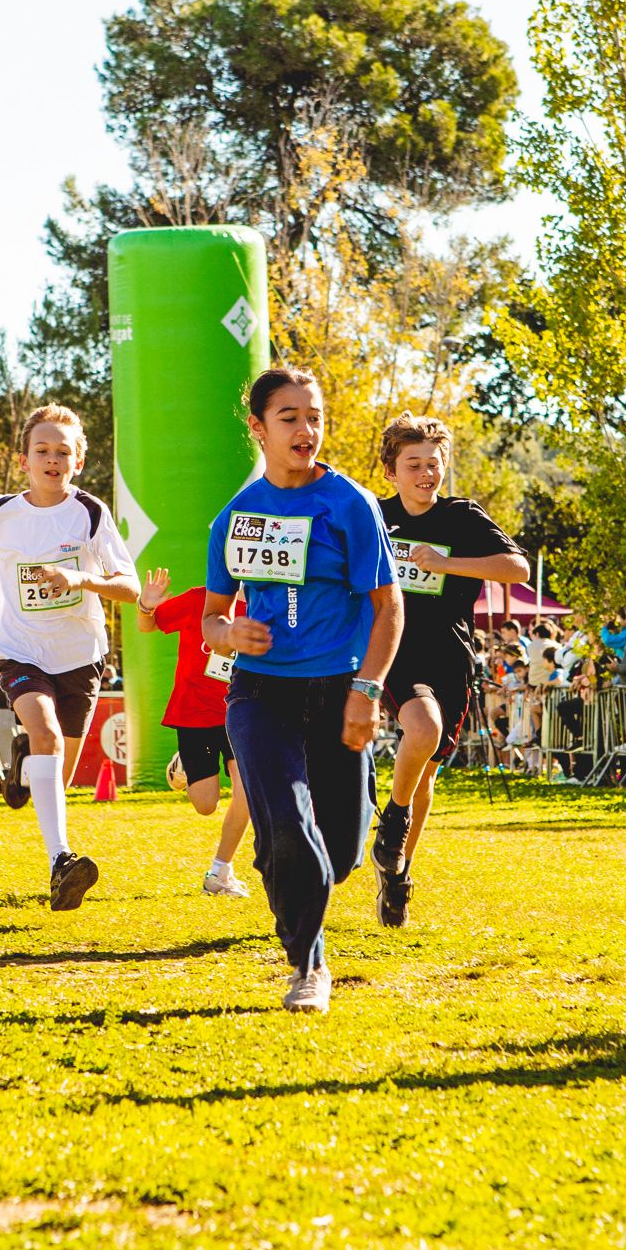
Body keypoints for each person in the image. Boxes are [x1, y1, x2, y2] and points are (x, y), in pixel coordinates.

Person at [205, 368, 402, 1014]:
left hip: (340, 690)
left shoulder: (349, 503)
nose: (306, 429)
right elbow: (210, 620)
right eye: (288, 417)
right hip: (260, 694)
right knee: (288, 833)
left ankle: (291, 868)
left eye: (313, 415)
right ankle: (308, 966)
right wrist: (230, 632)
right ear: (258, 428)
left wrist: (366, 691)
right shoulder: (233, 517)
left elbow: (388, 605)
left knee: (337, 852)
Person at [0, 404, 141, 910]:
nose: (52, 459)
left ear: (78, 460)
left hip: (79, 653)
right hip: (18, 646)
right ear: (24, 459)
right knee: (47, 734)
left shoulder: (90, 513)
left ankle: (20, 769)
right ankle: (61, 861)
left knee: (58, 769)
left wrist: (81, 579)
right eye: (42, 450)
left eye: (63, 452)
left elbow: (130, 586)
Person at [367, 414, 529, 926]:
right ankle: (391, 820)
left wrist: (446, 562)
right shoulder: (374, 515)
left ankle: (397, 876)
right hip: (396, 649)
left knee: (427, 773)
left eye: (433, 464)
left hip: (451, 656)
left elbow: (517, 569)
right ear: (391, 471)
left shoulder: (461, 517)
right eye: (412, 465)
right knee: (423, 728)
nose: (424, 474)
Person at [134, 565, 250, 897]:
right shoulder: (200, 599)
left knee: (247, 791)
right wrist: (147, 605)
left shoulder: (267, 607)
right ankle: (184, 763)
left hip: (241, 713)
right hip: (194, 713)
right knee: (206, 805)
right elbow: (148, 626)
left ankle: (219, 873)